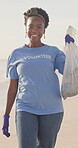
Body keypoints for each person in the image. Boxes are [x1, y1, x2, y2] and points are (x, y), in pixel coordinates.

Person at [2, 7, 74, 148]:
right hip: (25, 107)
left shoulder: (53, 52)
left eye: (39, 27)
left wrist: (71, 49)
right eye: (31, 26)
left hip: (52, 110)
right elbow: (12, 87)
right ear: (25, 29)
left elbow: (70, 72)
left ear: (44, 30)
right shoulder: (15, 54)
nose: (34, 30)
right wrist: (6, 115)